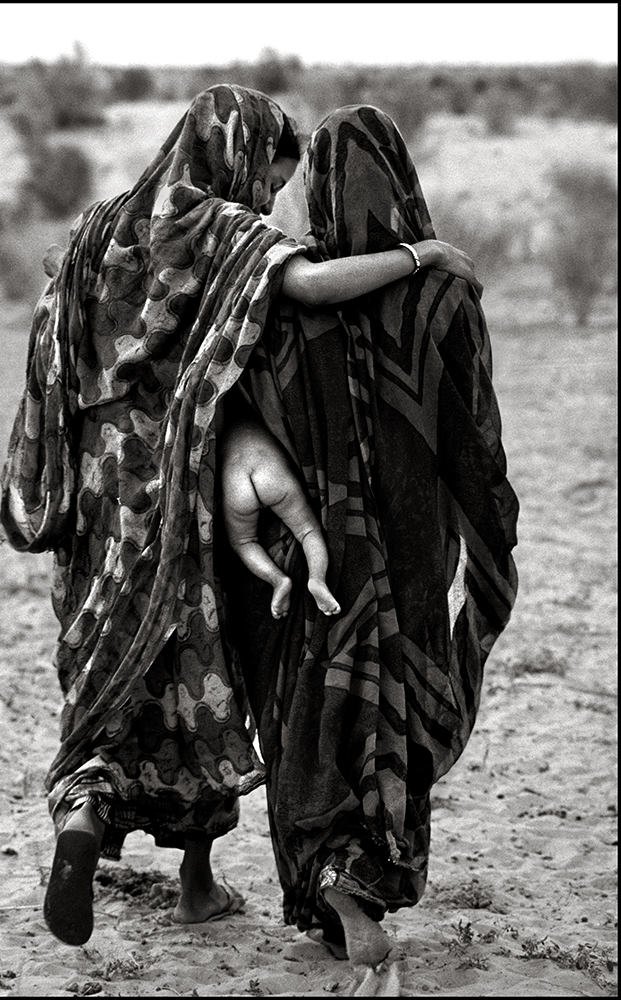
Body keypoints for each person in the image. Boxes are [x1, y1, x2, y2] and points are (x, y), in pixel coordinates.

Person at [0, 85, 482, 949]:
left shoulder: (106, 222)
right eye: (267, 176)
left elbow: (53, 264)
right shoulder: (226, 230)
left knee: (106, 669)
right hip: (181, 490)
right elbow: (316, 285)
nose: (266, 198)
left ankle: (85, 811)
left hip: (98, 496)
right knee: (197, 679)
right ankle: (195, 882)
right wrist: (422, 254)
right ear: (243, 153)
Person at [226, 105, 519, 992]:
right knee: (394, 693)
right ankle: (366, 871)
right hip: (411, 544)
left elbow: (234, 407)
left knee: (310, 704)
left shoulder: (290, 291)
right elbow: (473, 438)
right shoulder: (443, 294)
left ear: (315, 184)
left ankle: (323, 873)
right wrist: (492, 541)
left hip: (309, 546)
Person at [220, 411, 341, 619]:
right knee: (307, 531)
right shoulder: (259, 416)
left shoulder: (219, 433)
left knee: (244, 541)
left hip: (235, 483)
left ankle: (278, 580)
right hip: (270, 472)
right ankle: (317, 579)